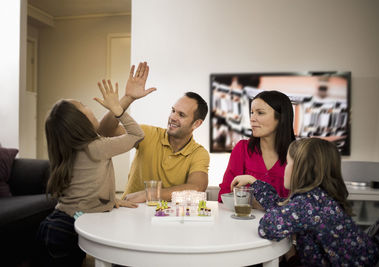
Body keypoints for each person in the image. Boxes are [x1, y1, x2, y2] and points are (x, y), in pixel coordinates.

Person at [36, 73, 147, 266]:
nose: (90, 108)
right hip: (68, 229)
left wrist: (109, 201)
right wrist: (118, 110)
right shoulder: (97, 147)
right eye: (83, 106)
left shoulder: (68, 148)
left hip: (57, 221)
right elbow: (137, 135)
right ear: (79, 122)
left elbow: (85, 188)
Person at [231, 138, 379, 266]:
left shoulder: (307, 204)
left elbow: (268, 228)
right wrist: (254, 181)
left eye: (288, 163)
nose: (284, 169)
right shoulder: (318, 197)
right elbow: (281, 207)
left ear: (300, 169)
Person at [98, 62, 210, 203]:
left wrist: (150, 194)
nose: (173, 117)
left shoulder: (199, 153)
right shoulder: (147, 134)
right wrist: (128, 98)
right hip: (129, 212)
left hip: (166, 218)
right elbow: (105, 131)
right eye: (173, 110)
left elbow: (196, 188)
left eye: (181, 115)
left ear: (197, 123)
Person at [218, 90, 295, 202]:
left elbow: (301, 205)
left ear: (280, 118)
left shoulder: (299, 154)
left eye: (260, 113)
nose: (252, 119)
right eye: (252, 112)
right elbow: (224, 195)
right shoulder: (242, 149)